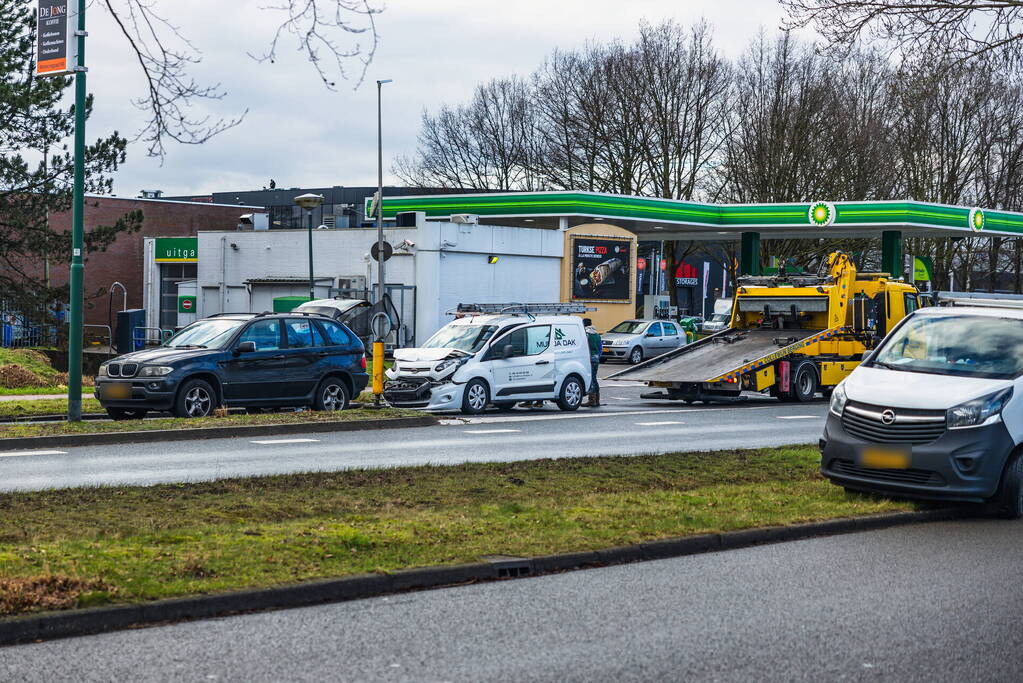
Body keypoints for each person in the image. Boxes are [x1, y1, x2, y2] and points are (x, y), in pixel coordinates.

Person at [583, 317, 601, 407]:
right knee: (594, 378)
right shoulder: (597, 334)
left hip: (590, 358)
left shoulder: (586, 334)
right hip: (596, 358)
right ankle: (597, 400)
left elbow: (586, 347)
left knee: (591, 379)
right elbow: (600, 347)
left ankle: (592, 400)